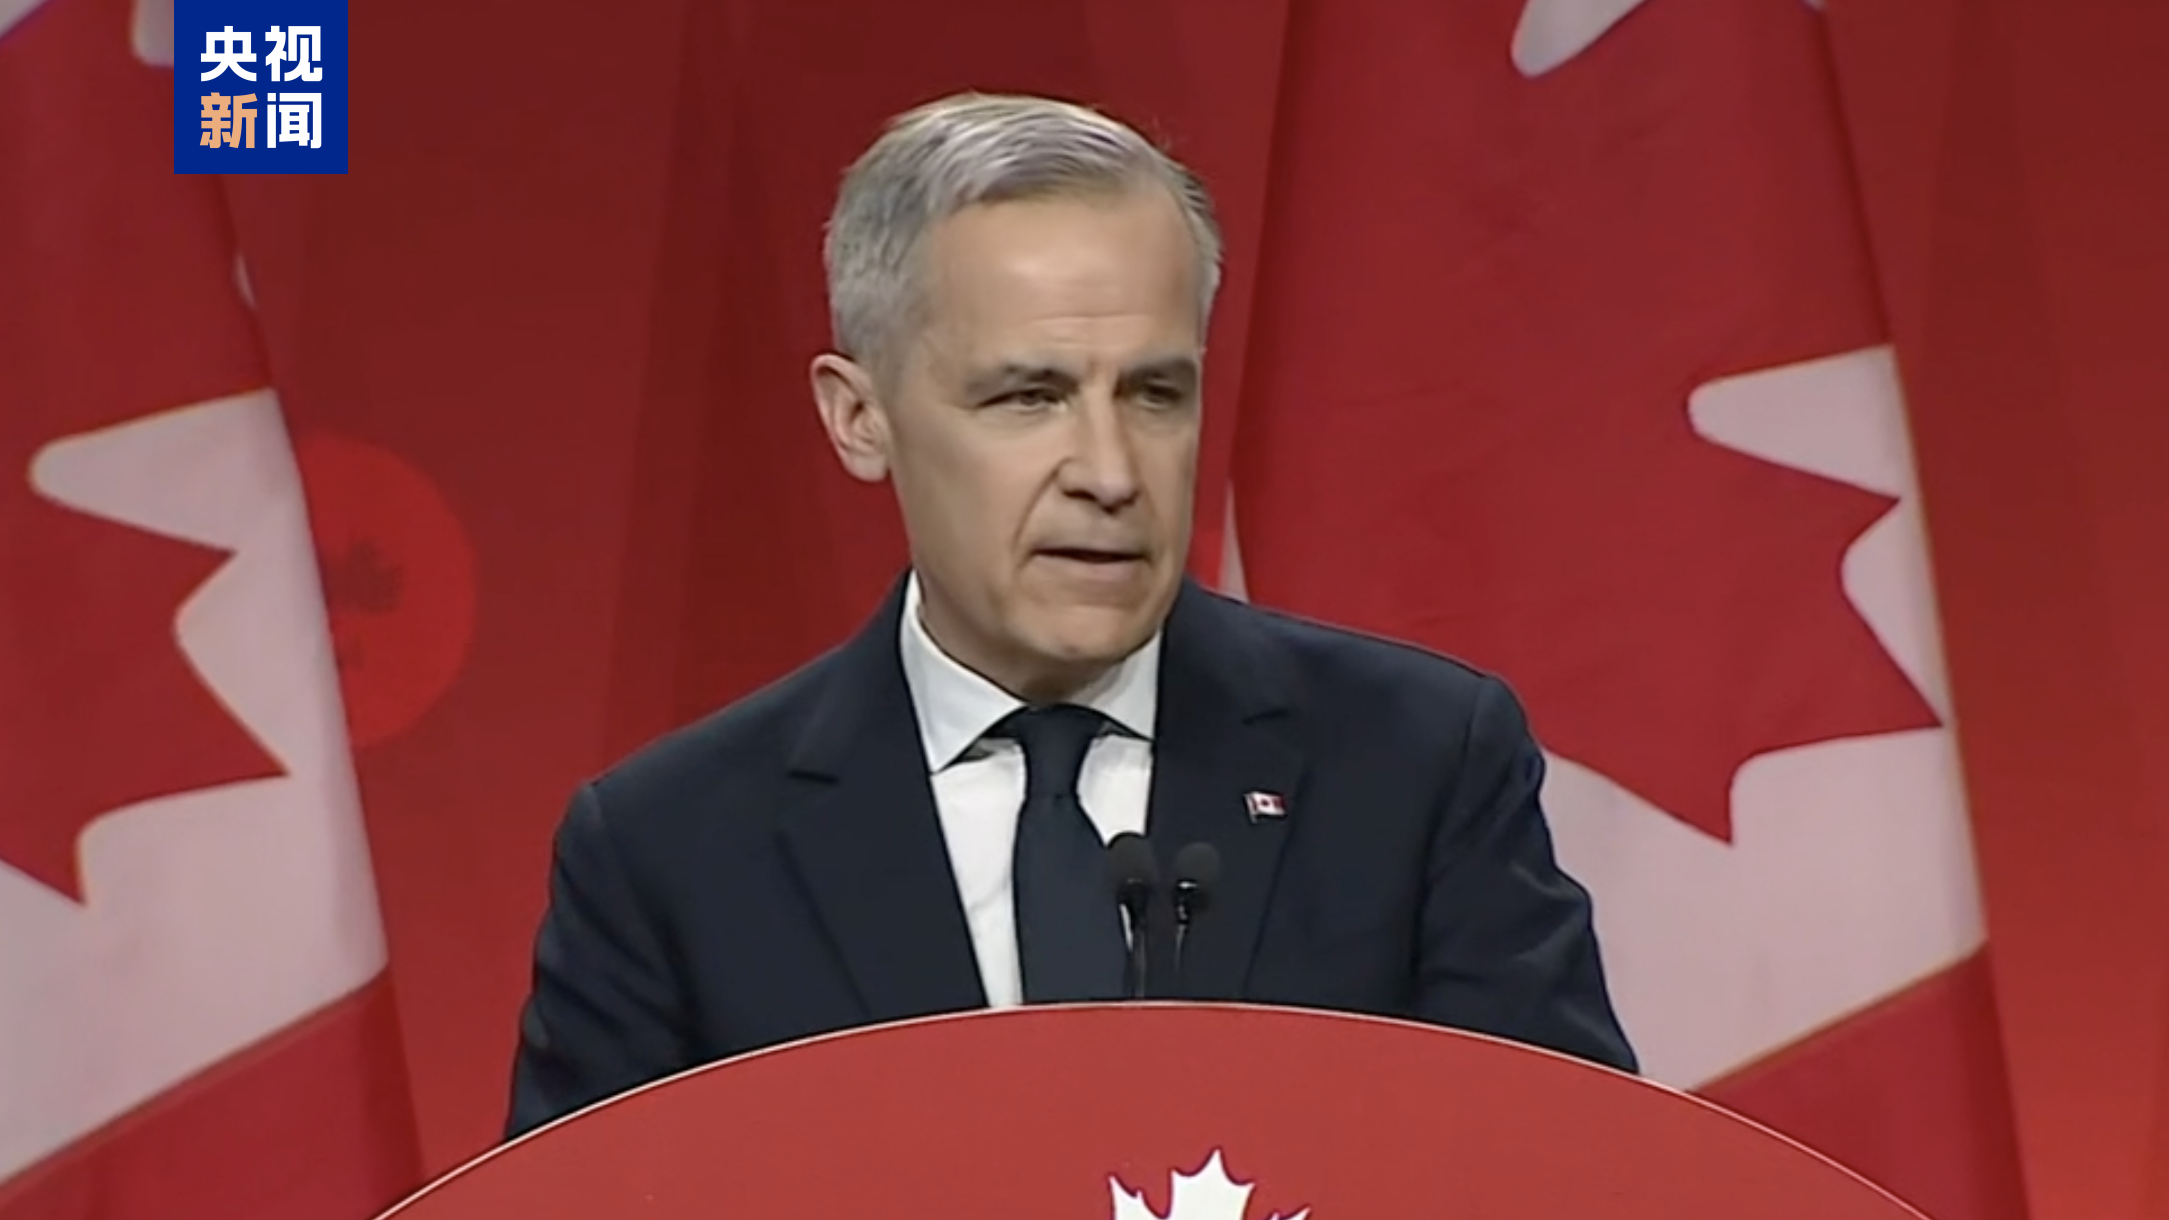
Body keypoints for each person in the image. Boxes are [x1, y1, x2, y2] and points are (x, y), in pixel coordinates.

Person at [504, 91, 1635, 1137]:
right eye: (1028, 396)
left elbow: (1573, 1175)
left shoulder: (1416, 765)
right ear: (859, 418)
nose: (1110, 471)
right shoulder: (671, 853)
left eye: (1154, 393)